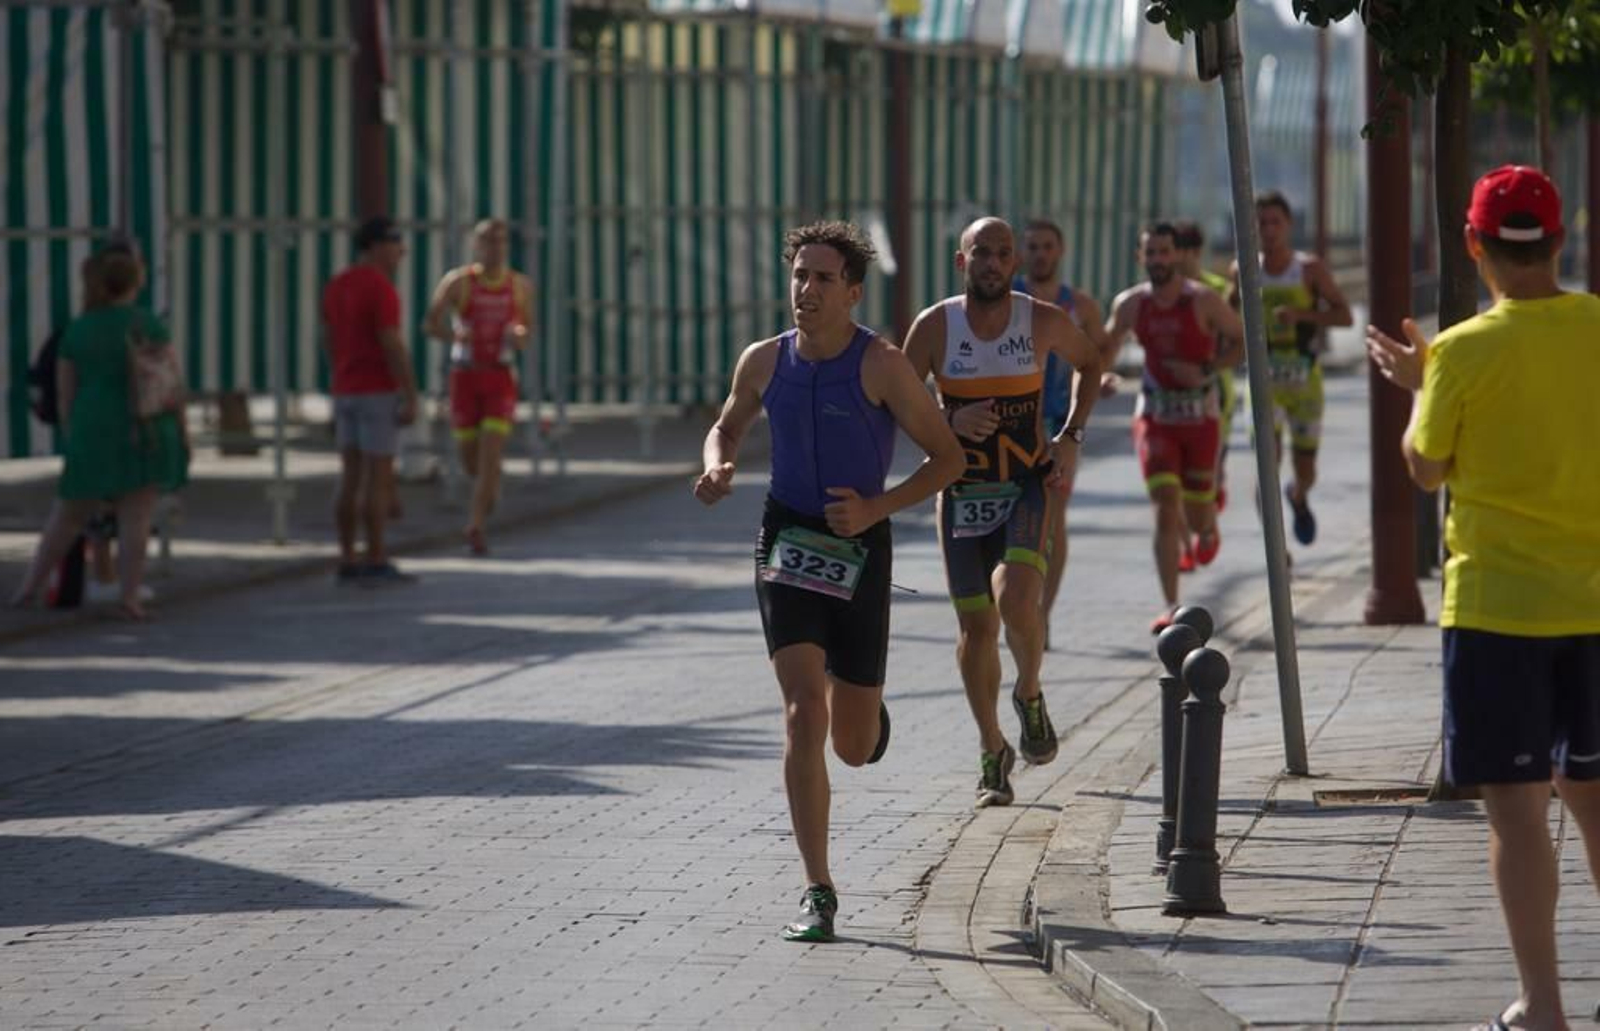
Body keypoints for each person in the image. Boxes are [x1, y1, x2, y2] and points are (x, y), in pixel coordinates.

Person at [1368, 165, 1600, 1031]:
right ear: (1561, 239)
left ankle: (1543, 1008)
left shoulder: (1461, 351)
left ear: (1473, 244)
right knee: (1595, 795)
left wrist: (1425, 384)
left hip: (1500, 609)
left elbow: (1425, 467)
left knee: (1517, 806)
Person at [693, 220, 963, 943]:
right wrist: (719, 463)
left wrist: (877, 506)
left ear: (852, 291)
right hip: (786, 537)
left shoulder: (881, 365)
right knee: (801, 714)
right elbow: (727, 425)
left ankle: (869, 720)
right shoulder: (764, 359)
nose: (805, 290)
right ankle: (818, 887)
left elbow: (947, 459)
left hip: (859, 543)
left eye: (821, 278)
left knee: (849, 740)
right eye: (798, 276)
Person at [902, 217, 1104, 808]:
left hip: (1025, 485)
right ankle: (993, 747)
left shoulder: (1038, 318)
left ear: (1014, 263)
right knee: (975, 630)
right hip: (961, 493)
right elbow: (893, 399)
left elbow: (1092, 362)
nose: (992, 262)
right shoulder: (936, 326)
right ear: (961, 262)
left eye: (1003, 253)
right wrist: (946, 423)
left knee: (1017, 599)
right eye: (980, 253)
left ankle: (1031, 692)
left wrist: (1072, 435)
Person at [10, 243, 188, 619]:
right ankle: (129, 596)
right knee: (135, 517)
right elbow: (172, 386)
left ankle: (28, 588)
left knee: (67, 514)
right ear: (135, 283)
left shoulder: (77, 331)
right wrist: (184, 434)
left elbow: (64, 394)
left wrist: (73, 434)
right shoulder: (148, 324)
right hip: (144, 427)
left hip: (92, 426)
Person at [1105, 222, 1244, 633]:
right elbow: (1105, 348)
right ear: (1140, 257)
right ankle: (1171, 605)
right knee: (1166, 507)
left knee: (1198, 516)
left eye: (1165, 252)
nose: (1158, 260)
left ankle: (1209, 519)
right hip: (1155, 416)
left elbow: (1243, 341)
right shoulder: (1130, 304)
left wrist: (1205, 368)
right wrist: (1098, 376)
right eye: (1151, 253)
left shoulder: (1202, 301)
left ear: (1177, 256)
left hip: (1200, 417)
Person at [1015, 219, 1116, 652]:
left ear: (1061, 251)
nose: (1040, 254)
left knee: (1052, 521)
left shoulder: (1082, 306)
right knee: (1014, 518)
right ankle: (1018, 603)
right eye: (1033, 247)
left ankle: (1043, 613)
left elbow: (1098, 355)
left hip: (1060, 428)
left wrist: (1103, 379)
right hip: (1013, 426)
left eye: (1047, 246)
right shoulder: (1008, 300)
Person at [1229, 191, 1352, 546]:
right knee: (1266, 466)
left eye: (1275, 222)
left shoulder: (1309, 269)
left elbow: (1343, 315)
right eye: (1261, 223)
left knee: (1306, 469)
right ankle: (1277, 553)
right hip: (1262, 384)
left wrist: (1303, 315)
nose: (1268, 230)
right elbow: (1225, 317)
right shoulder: (1243, 269)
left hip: (1304, 381)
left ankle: (1298, 494)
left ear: (1289, 225)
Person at [423, 219, 535, 556]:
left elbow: (527, 331)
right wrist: (453, 335)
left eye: (500, 242)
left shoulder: (519, 286)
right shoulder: (458, 283)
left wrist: (518, 336)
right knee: (470, 459)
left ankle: (475, 525)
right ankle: (488, 489)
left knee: (489, 453)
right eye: (487, 242)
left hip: (499, 377)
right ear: (476, 245)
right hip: (465, 377)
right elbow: (430, 324)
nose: (495, 248)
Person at [322, 216, 420, 585]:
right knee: (378, 477)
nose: (402, 252)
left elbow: (327, 337)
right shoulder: (380, 288)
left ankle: (347, 555)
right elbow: (391, 342)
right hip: (376, 389)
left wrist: (338, 374)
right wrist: (410, 393)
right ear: (377, 245)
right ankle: (376, 555)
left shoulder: (337, 285)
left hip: (345, 387)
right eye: (396, 243)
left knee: (349, 476)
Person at [1173, 219, 1238, 517]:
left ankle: (1210, 500)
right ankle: (1183, 535)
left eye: (1179, 250)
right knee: (1171, 473)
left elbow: (1238, 339)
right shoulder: (1159, 293)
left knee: (1208, 468)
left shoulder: (1218, 290)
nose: (1172, 258)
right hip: (1169, 391)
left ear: (1195, 252)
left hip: (1214, 390)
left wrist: (1207, 364)